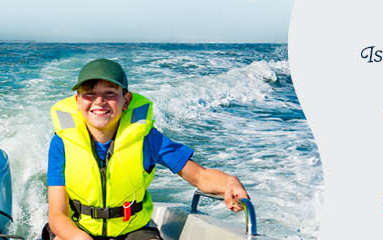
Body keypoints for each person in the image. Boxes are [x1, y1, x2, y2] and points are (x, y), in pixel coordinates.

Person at [44, 59, 251, 240]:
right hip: (76, 230)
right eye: (89, 94)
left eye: (110, 93)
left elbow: (200, 176)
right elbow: (57, 215)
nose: (99, 101)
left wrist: (229, 182)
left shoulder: (146, 139)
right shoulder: (61, 143)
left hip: (133, 230)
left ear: (126, 100)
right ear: (77, 101)